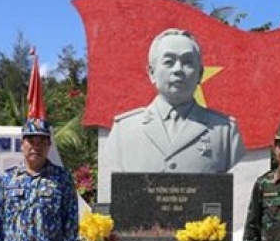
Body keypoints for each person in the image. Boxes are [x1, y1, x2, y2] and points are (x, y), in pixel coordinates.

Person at [105, 28, 246, 173]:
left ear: (200, 74)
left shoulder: (224, 131)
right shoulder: (125, 130)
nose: (178, 69)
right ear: (152, 73)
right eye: (169, 62)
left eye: (187, 62)